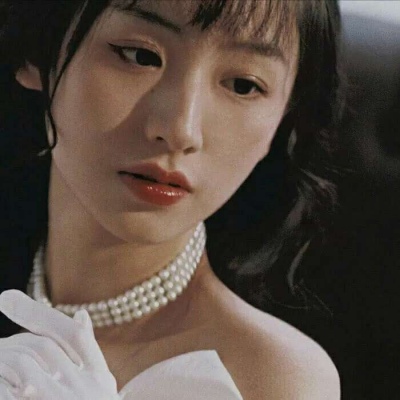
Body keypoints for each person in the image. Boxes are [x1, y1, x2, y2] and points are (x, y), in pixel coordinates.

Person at [0, 0, 342, 398]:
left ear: (284, 120)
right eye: (140, 56)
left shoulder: (275, 380)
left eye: (243, 85)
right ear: (36, 52)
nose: (181, 129)